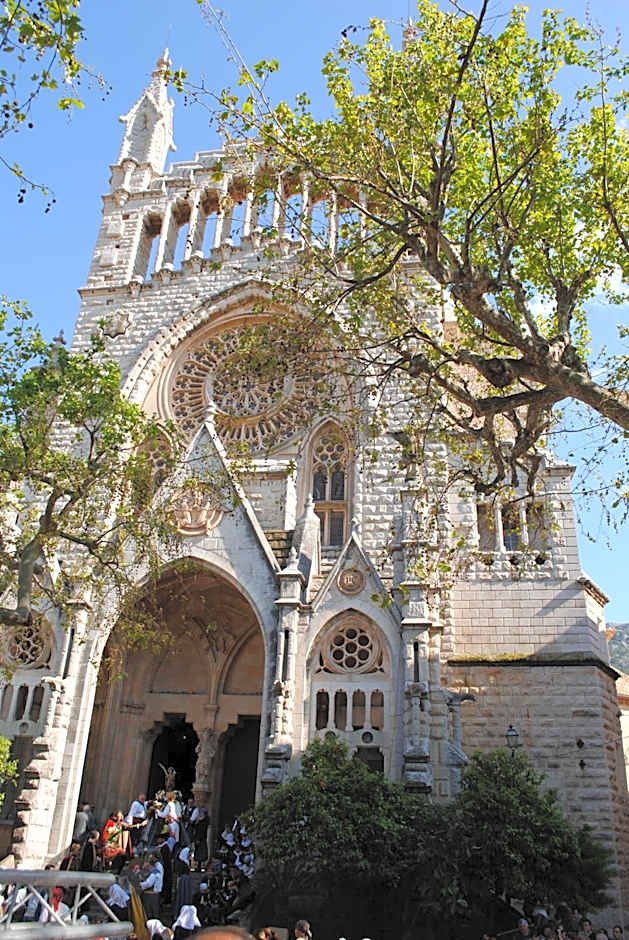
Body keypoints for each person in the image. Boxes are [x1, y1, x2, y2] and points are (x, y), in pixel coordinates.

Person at [140, 854, 164, 919]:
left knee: (150, 913)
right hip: (152, 895)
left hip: (151, 895)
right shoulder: (152, 872)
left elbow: (148, 884)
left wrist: (140, 884)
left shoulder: (154, 873)